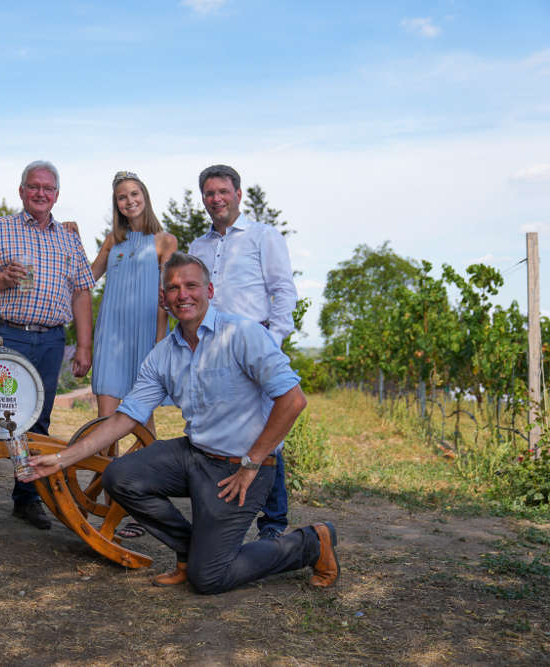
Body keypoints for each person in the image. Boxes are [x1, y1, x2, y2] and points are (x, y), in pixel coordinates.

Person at [25, 252, 339, 594]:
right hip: (195, 455)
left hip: (240, 467)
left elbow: (293, 401)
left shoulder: (242, 334)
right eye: (173, 288)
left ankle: (310, 543)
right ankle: (190, 551)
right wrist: (60, 459)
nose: (182, 294)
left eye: (191, 285)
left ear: (210, 290)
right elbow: (126, 417)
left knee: (209, 579)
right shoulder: (163, 353)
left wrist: (252, 463)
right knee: (121, 475)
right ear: (164, 298)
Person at [0, 160, 95, 531]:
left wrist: (85, 346)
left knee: (37, 423)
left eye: (48, 188)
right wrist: (1, 277)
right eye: (34, 186)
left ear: (56, 194)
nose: (41, 193)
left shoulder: (69, 238)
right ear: (22, 191)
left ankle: (28, 500)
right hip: (5, 334)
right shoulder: (0, 229)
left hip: (50, 338)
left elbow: (81, 293)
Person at [189, 164, 299, 542]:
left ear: (238, 194)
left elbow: (284, 291)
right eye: (209, 193)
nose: (216, 199)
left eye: (222, 191)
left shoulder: (263, 236)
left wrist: (274, 340)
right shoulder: (197, 248)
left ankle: (273, 525)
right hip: (212, 352)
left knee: (267, 431)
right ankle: (224, 516)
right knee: (221, 432)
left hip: (254, 349)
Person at [89, 171, 176, 539]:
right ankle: (110, 511)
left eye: (135, 194)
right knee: (106, 422)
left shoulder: (165, 241)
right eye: (122, 197)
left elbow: (165, 295)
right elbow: (86, 277)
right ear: (117, 205)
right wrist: (67, 236)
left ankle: (143, 506)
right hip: (110, 336)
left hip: (146, 339)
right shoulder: (113, 241)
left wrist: (159, 344)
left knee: (142, 425)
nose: (129, 201)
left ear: (145, 197)